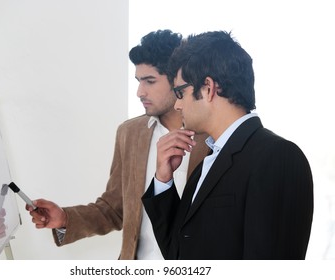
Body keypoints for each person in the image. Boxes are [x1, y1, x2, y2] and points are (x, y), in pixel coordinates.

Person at [26, 30, 209, 259]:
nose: (140, 92)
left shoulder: (210, 136)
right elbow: (114, 209)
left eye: (150, 81)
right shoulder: (130, 133)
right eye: (138, 81)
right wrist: (64, 218)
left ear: (178, 81)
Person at [142, 31, 314, 260]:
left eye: (180, 93)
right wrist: (163, 181)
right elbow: (178, 254)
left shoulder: (278, 157)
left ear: (208, 88)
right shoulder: (205, 164)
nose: (178, 105)